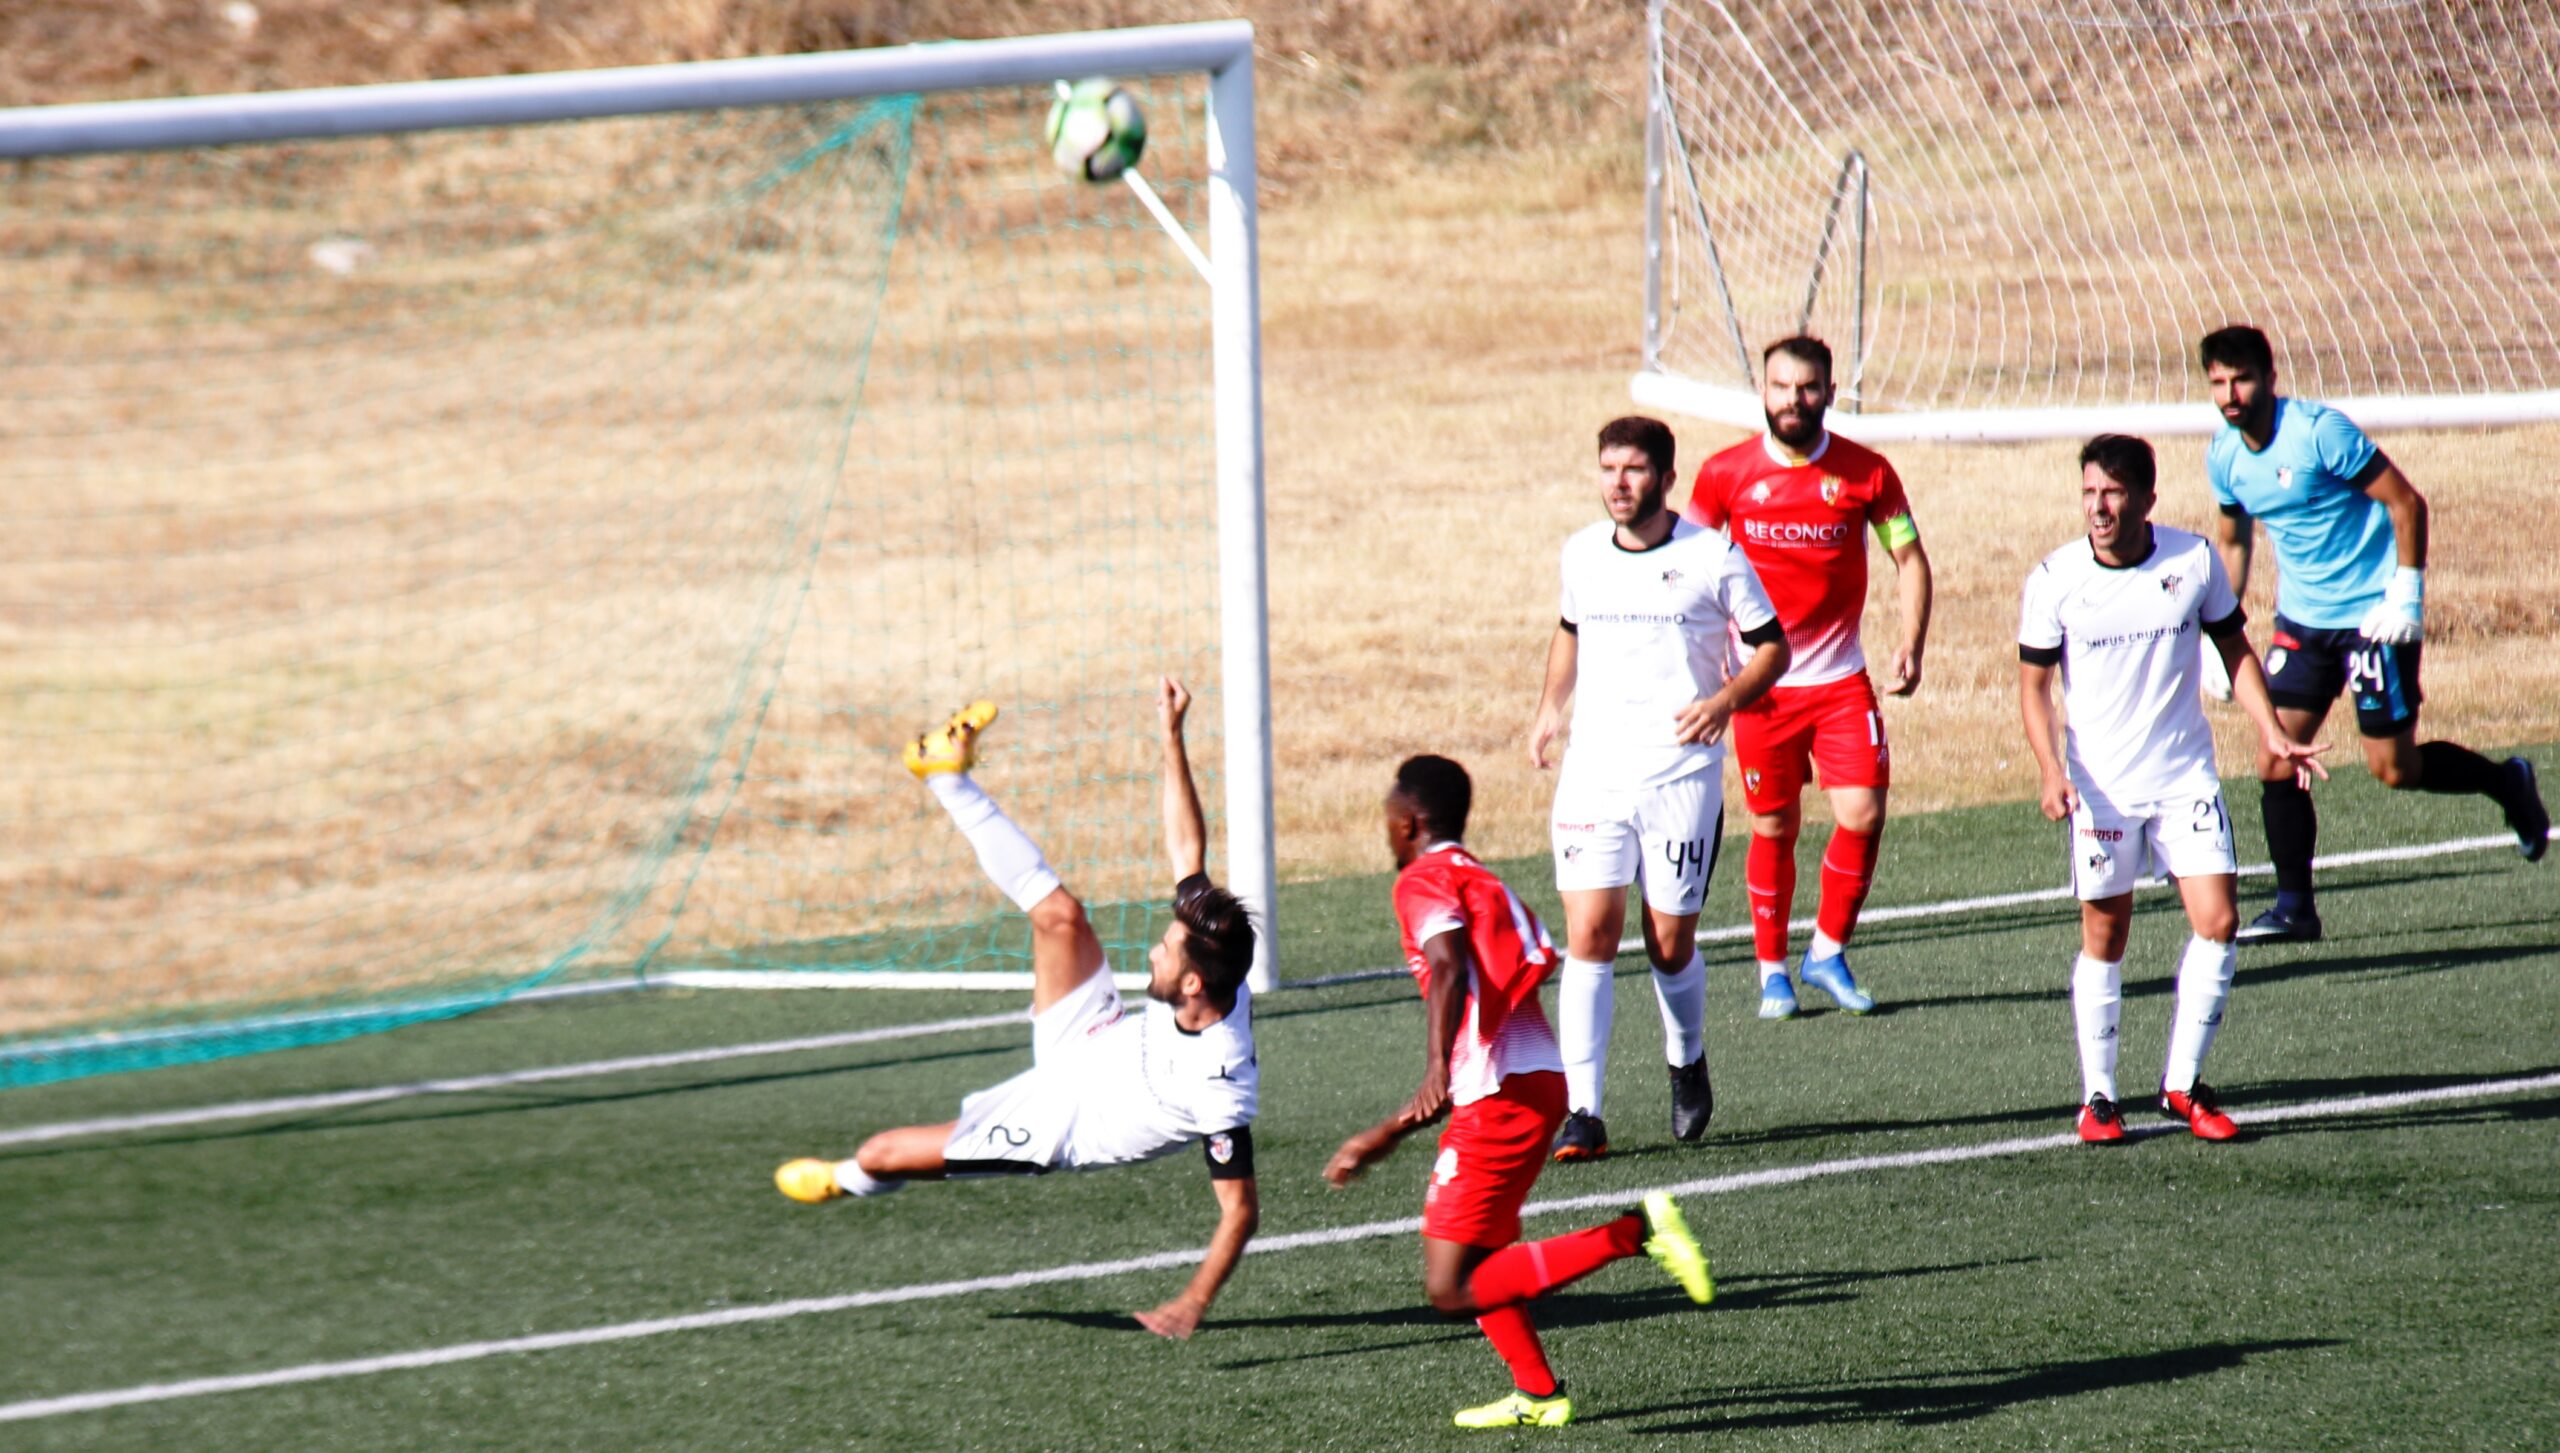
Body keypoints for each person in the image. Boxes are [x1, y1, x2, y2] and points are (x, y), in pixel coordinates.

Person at [773, 682, 1260, 1341]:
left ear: (1194, 983)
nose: (1153, 948)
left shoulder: (1220, 1082)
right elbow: (1187, 854)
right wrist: (1172, 735)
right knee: (1060, 916)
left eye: (1167, 950)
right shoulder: (1211, 956)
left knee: (882, 1151)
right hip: (1094, 1035)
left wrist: (1193, 1301)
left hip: (1054, 1122)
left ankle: (847, 1180)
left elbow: (1240, 1210)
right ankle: (943, 771)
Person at [1325, 754, 1716, 1430]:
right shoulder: (1474, 872)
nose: (1386, 833)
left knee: (1449, 1285)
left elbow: (1447, 967)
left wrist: (1434, 1070)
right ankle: (1538, 1392)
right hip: (1536, 1075)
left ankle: (1635, 1233)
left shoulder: (1423, 879)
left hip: (1498, 1089)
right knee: (1483, 1259)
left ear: (1409, 821)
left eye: (1390, 821)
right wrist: (1393, 1126)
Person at [2018, 435, 2330, 1143]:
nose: (2099, 506)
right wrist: (2048, 768)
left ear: (2146, 500)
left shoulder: (2192, 562)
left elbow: (2233, 649)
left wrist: (2273, 729)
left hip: (2183, 774)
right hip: (2101, 787)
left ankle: (2182, 1084)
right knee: (2107, 931)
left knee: (2218, 921)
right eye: (2091, 491)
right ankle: (2098, 1097)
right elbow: (2033, 686)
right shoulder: (2055, 579)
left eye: (2115, 493)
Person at [2199, 325, 2548, 943]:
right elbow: (2233, 540)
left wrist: (2407, 594)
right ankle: (2294, 910)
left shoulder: (2318, 432)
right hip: (2303, 624)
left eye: (2242, 378)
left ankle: (2506, 781)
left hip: (2373, 620)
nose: (2231, 394)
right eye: (2218, 383)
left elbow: (2407, 504)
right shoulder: (2224, 456)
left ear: (2270, 378)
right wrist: (2215, 632)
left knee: (2392, 767)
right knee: (2274, 756)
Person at [1528, 416, 1790, 1161]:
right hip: (1595, 773)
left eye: (1634, 469)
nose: (1618, 482)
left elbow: (1773, 645)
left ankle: (1687, 1058)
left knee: (1669, 943)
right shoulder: (1582, 552)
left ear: (1667, 478)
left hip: (1679, 773)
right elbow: (1570, 626)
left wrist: (1726, 700)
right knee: (1590, 935)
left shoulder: (1713, 556)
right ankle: (1584, 1111)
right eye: (1608, 467)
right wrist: (1550, 707)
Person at [1686, 335, 1934, 1019]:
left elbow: (1910, 559)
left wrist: (1911, 642)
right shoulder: (1722, 475)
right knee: (1773, 827)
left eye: (1807, 387)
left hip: (1839, 681)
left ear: (1829, 391)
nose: (1793, 400)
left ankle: (1826, 951)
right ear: (1761, 392)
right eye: (1780, 387)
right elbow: (1685, 571)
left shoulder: (1867, 473)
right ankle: (1772, 971)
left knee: (1864, 812)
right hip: (1759, 690)